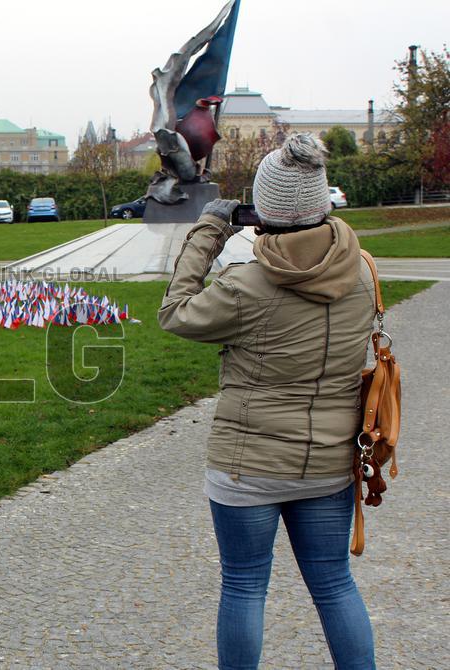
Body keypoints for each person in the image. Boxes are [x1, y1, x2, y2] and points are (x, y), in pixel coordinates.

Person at [157, 133, 376, 669]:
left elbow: (175, 311)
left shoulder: (245, 286)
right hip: (328, 461)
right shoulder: (364, 273)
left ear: (265, 214)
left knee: (244, 587)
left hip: (247, 466)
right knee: (334, 585)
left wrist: (211, 227)